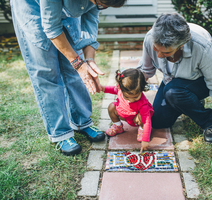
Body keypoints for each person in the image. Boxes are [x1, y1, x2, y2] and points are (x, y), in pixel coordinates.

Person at [10, 0, 126, 156]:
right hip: (33, 8)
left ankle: (82, 122)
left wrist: (88, 60)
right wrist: (78, 64)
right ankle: (61, 133)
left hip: (67, 9)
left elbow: (90, 21)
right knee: (48, 74)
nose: (102, 8)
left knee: (74, 70)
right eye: (101, 3)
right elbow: (51, 27)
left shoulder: (99, 2)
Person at [137, 13, 212, 145]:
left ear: (181, 45)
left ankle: (207, 121)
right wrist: (127, 94)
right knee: (157, 121)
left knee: (173, 92)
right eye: (155, 49)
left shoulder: (202, 46)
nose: (158, 55)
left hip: (200, 81)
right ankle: (187, 103)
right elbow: (145, 71)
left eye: (165, 53)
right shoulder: (150, 38)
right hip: (171, 81)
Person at [101, 69, 154, 152]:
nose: (131, 100)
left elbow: (147, 122)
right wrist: (102, 88)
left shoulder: (143, 103)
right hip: (124, 115)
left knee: (143, 116)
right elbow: (112, 89)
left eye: (136, 97)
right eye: (127, 97)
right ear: (121, 89)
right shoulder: (120, 89)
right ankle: (117, 126)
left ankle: (141, 129)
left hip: (136, 119)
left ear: (142, 90)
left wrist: (145, 140)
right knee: (111, 106)